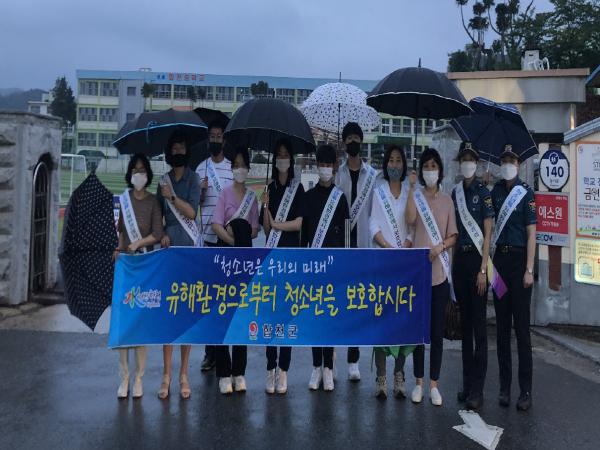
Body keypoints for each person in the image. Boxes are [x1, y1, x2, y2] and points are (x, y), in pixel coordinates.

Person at [406, 148, 458, 406]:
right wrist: (411, 188)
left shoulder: (447, 201)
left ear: (440, 170)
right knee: (418, 332)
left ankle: (434, 384)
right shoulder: (416, 196)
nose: (430, 170)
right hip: (419, 275)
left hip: (439, 275)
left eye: (433, 166)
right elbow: (409, 219)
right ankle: (418, 382)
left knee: (436, 333)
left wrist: (440, 247)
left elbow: (453, 235)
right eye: (426, 166)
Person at [113, 153, 164, 399]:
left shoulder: (153, 202)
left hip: (145, 266)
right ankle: (124, 377)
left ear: (148, 174)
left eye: (142, 170)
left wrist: (138, 244)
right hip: (126, 266)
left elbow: (157, 234)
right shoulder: (124, 200)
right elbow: (122, 232)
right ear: (129, 173)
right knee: (125, 324)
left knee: (140, 324)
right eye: (135, 170)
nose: (139, 174)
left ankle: (139, 378)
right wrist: (119, 248)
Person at [490, 144, 536, 412]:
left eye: (512, 160)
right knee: (502, 329)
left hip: (519, 265)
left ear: (518, 165)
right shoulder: (494, 191)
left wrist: (529, 269)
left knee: (522, 330)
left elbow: (532, 234)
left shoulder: (526, 192)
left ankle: (525, 390)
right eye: (504, 160)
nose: (508, 164)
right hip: (499, 265)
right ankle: (504, 387)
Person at [156, 130, 201, 400]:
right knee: (168, 313)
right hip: (169, 252)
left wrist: (172, 197)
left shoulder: (193, 179)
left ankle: (184, 373)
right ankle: (166, 374)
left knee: (187, 312)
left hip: (190, 252)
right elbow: (158, 218)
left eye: (181, 148)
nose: (178, 152)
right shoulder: (162, 181)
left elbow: (192, 213)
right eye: (174, 148)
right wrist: (161, 232)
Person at [211, 146, 259, 394]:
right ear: (232, 169)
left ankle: (239, 371)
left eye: (243, 165)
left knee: (241, 314)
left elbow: (255, 230)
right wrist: (232, 240)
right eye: (236, 165)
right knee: (223, 313)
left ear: (248, 169)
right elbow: (216, 224)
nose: (240, 169)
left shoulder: (252, 197)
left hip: (245, 260)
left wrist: (243, 233)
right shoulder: (225, 194)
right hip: (225, 257)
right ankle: (223, 371)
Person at [302, 144, 350, 392]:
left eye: (328, 165)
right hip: (313, 266)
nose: (324, 169)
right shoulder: (309, 197)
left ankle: (329, 368)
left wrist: (345, 261)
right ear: (316, 165)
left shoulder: (340, 198)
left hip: (333, 266)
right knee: (314, 318)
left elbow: (347, 233)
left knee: (329, 317)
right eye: (321, 164)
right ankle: (316, 367)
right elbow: (304, 234)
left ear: (334, 167)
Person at [451, 142, 494, 410]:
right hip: (460, 263)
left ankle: (478, 389)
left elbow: (487, 234)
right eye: (464, 159)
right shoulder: (455, 193)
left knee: (479, 329)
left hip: (478, 264)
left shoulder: (484, 193)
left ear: (476, 164)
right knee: (465, 329)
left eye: (471, 159)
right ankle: (467, 385)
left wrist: (483, 270)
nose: (467, 163)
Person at [259, 138, 305, 395]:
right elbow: (266, 229)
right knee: (270, 312)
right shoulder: (270, 188)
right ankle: (270, 367)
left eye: (286, 154)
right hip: (271, 257)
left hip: (290, 256)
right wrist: (266, 205)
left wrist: (278, 225)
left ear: (291, 159)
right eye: (279, 154)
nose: (282, 158)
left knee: (286, 313)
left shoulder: (298, 189)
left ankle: (283, 369)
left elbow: (299, 223)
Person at [369, 145, 414, 399]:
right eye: (391, 160)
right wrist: (387, 245)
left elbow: (412, 225)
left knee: (401, 321)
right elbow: (373, 223)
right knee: (382, 319)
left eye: (399, 160)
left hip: (404, 265)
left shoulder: (409, 192)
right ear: (386, 165)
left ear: (404, 164)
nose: (395, 164)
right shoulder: (379, 193)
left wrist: (405, 245)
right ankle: (381, 377)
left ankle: (399, 374)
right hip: (384, 263)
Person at [335, 122, 377, 382]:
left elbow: (375, 211)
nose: (352, 142)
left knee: (357, 303)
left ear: (361, 142)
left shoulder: (372, 175)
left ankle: (353, 359)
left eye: (356, 138)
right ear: (344, 143)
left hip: (362, 246)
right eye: (348, 138)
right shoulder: (337, 174)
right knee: (337, 302)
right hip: (340, 247)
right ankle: (331, 355)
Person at [196, 119, 233, 372]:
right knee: (209, 301)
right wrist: (200, 192)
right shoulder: (201, 168)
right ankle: (210, 353)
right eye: (212, 136)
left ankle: (225, 351)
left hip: (227, 241)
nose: (215, 139)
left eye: (219, 136)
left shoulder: (231, 168)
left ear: (224, 140)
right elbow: (195, 204)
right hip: (207, 241)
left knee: (226, 299)